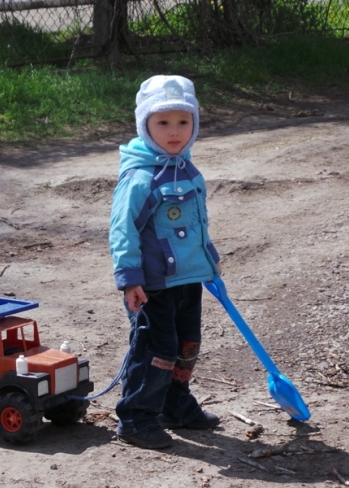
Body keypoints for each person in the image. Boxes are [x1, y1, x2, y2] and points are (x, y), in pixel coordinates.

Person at [109, 75, 222, 450]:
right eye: (163, 122)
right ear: (145, 125)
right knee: (156, 350)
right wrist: (129, 278)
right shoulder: (140, 177)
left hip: (188, 279)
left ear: (194, 124)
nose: (174, 131)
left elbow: (198, 223)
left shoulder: (187, 169)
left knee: (186, 346)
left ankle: (175, 406)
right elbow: (123, 229)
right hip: (152, 285)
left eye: (183, 121)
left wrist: (210, 258)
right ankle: (136, 417)